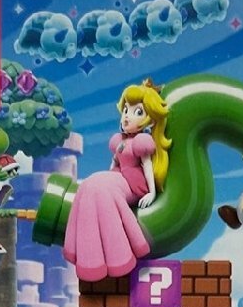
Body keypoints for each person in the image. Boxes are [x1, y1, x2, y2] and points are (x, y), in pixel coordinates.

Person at [63, 79, 171, 281]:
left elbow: (147, 166)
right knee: (91, 183)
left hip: (133, 184)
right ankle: (88, 259)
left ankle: (119, 258)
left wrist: (152, 191)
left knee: (102, 190)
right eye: (126, 110)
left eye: (138, 112)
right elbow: (114, 163)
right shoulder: (119, 141)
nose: (128, 116)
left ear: (150, 120)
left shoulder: (141, 141)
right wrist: (106, 176)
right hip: (118, 177)